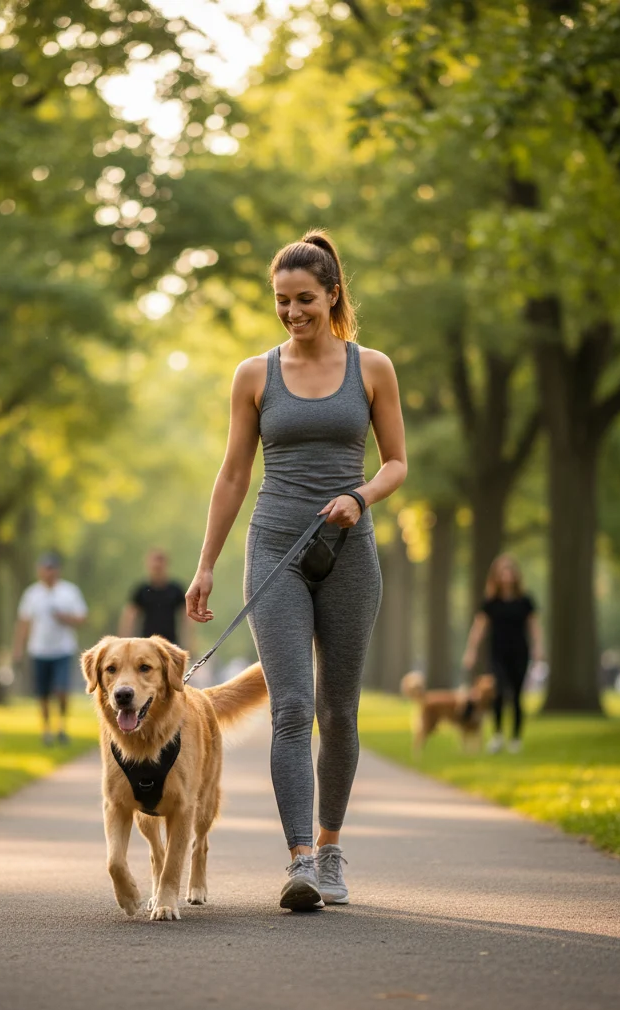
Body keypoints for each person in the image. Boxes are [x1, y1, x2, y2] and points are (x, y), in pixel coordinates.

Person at [185, 230, 407, 911]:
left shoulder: (372, 368)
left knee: (339, 712)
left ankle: (332, 845)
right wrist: (206, 567)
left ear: (334, 294)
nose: (292, 312)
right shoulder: (255, 375)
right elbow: (232, 475)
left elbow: (397, 462)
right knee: (292, 707)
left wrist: (359, 496)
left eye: (305, 299)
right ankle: (300, 862)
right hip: (276, 547)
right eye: (281, 301)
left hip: (348, 551)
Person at [461, 553, 544, 754]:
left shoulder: (525, 600)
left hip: (519, 653)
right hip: (497, 653)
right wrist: (471, 651)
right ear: (497, 576)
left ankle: (515, 738)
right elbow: (479, 627)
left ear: (515, 575)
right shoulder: (491, 602)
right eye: (502, 573)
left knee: (516, 696)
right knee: (497, 692)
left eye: (509, 572)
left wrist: (539, 647)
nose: (506, 576)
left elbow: (534, 626)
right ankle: (497, 735)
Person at [12, 552, 88, 745]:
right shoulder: (31, 594)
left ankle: (62, 726)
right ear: (40, 571)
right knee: (43, 693)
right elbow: (23, 623)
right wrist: (18, 649)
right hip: (39, 650)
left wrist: (65, 618)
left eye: (52, 568)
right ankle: (46, 730)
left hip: (63, 649)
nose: (49, 572)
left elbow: (81, 618)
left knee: (62, 690)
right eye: (45, 568)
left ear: (57, 570)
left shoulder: (69, 592)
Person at [118, 548, 191, 647]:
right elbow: (130, 617)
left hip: (171, 642)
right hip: (147, 642)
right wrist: (125, 640)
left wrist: (190, 642)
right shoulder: (142, 590)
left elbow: (186, 617)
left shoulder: (176, 590)